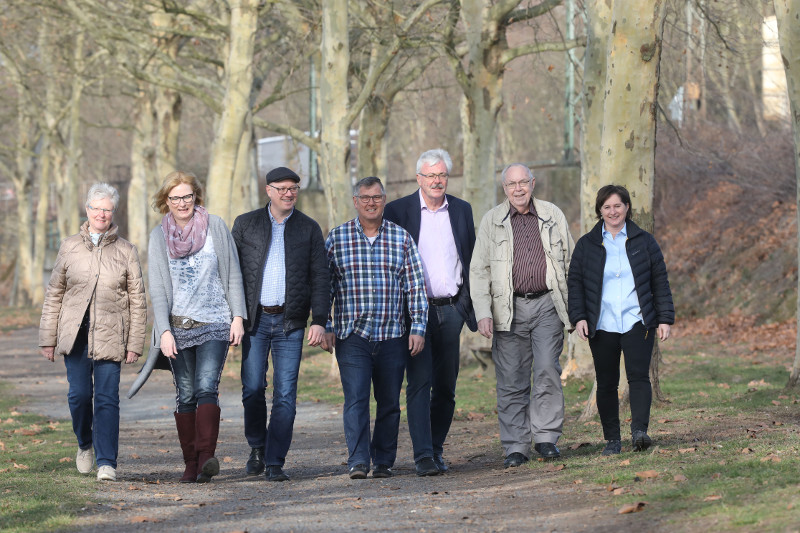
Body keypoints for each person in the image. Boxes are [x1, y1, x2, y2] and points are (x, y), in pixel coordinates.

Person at [39, 183, 147, 482]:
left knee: (107, 399)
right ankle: (85, 443)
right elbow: (54, 294)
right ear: (87, 210)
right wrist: (48, 338)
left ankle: (107, 462)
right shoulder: (69, 246)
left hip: (112, 335)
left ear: (114, 213)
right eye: (97, 208)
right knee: (79, 396)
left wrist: (135, 342)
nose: (102, 213)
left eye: (107, 209)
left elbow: (138, 301)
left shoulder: (126, 250)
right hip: (74, 336)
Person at [323, 177, 428, 479]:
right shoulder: (337, 238)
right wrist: (326, 324)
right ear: (355, 201)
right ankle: (358, 460)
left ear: (384, 200)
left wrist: (418, 327)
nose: (371, 203)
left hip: (392, 334)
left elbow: (415, 287)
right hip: (352, 334)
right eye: (365, 197)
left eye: (377, 197)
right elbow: (325, 287)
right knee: (356, 399)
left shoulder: (401, 238)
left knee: (389, 403)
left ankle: (383, 460)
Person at [144, 170, 246, 483]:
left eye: (187, 196)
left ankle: (205, 459)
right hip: (177, 327)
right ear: (166, 201)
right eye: (175, 198)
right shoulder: (158, 236)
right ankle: (190, 462)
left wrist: (238, 316)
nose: (182, 202)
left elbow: (232, 274)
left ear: (195, 197)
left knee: (206, 387)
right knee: (185, 395)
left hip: (215, 321)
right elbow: (158, 290)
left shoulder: (215, 225)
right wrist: (163, 331)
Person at [470, 163, 573, 467]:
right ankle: (516, 445)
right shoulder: (492, 220)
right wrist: (483, 312)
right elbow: (479, 270)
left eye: (523, 182)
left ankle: (546, 439)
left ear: (533, 183)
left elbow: (569, 260)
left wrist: (574, 307)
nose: (518, 189)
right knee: (511, 380)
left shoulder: (552, 214)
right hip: (508, 309)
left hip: (547, 305)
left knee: (546, 371)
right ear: (504, 188)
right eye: (511, 184)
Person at [232, 167, 329, 482]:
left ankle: (275, 460)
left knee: (285, 393)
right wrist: (233, 315)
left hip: (291, 323)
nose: (289, 193)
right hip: (255, 322)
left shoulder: (309, 228)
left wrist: (320, 321)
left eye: (294, 188)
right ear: (269, 190)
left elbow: (320, 277)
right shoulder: (245, 225)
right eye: (283, 188)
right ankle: (257, 447)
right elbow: (232, 274)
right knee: (252, 388)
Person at [383, 149, 477, 476]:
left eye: (442, 175)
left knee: (447, 388)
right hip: (414, 314)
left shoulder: (462, 210)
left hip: (451, 310)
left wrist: (465, 304)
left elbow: (471, 258)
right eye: (430, 175)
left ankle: (436, 447)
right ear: (418, 178)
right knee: (419, 384)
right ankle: (423, 455)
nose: (437, 181)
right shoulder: (397, 211)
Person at [568, 184, 674, 455]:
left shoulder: (645, 241)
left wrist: (664, 319)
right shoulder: (587, 245)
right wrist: (579, 317)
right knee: (606, 382)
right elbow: (576, 284)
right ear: (599, 211)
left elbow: (659, 281)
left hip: (637, 320)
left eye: (617, 205)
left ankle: (640, 432)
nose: (613, 211)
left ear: (627, 207)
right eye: (607, 207)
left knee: (639, 377)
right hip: (601, 323)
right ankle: (612, 440)